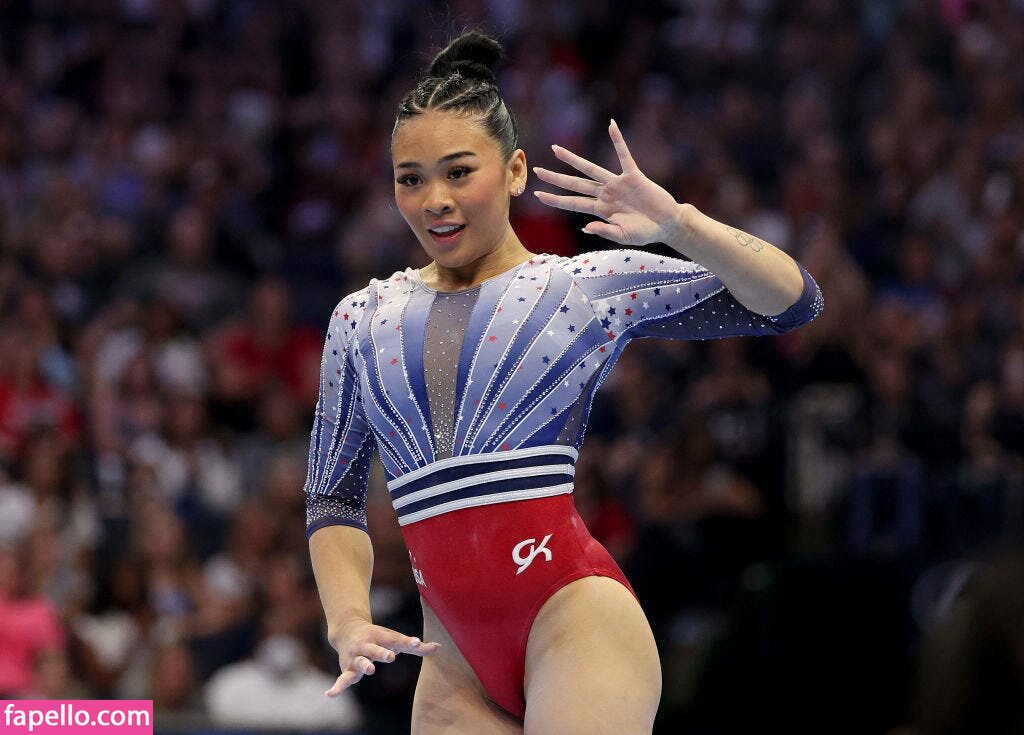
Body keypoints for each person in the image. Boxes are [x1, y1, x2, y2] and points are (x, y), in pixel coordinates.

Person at [305, 32, 823, 734]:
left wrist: (680, 224)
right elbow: (333, 496)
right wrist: (346, 619)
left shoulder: (579, 288)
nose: (435, 200)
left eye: (459, 172)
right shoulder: (361, 320)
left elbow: (793, 301)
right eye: (411, 178)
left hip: (575, 622)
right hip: (454, 664)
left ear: (515, 171)